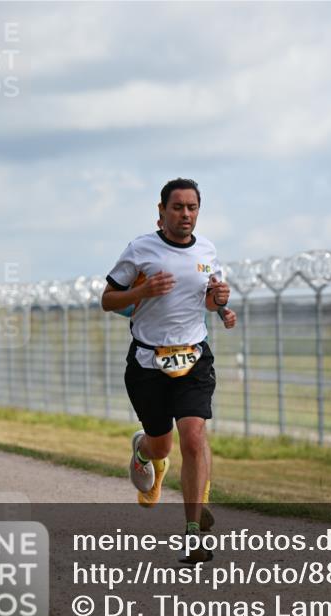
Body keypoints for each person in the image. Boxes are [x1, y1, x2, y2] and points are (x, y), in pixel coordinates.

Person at [101, 177, 236, 563]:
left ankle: (193, 533)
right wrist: (140, 292)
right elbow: (107, 300)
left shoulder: (208, 250)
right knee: (163, 444)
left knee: (193, 438)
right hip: (148, 361)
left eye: (192, 208)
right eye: (177, 207)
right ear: (161, 212)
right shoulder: (141, 249)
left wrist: (221, 302)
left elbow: (207, 300)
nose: (185, 215)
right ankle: (146, 453)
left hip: (193, 356)